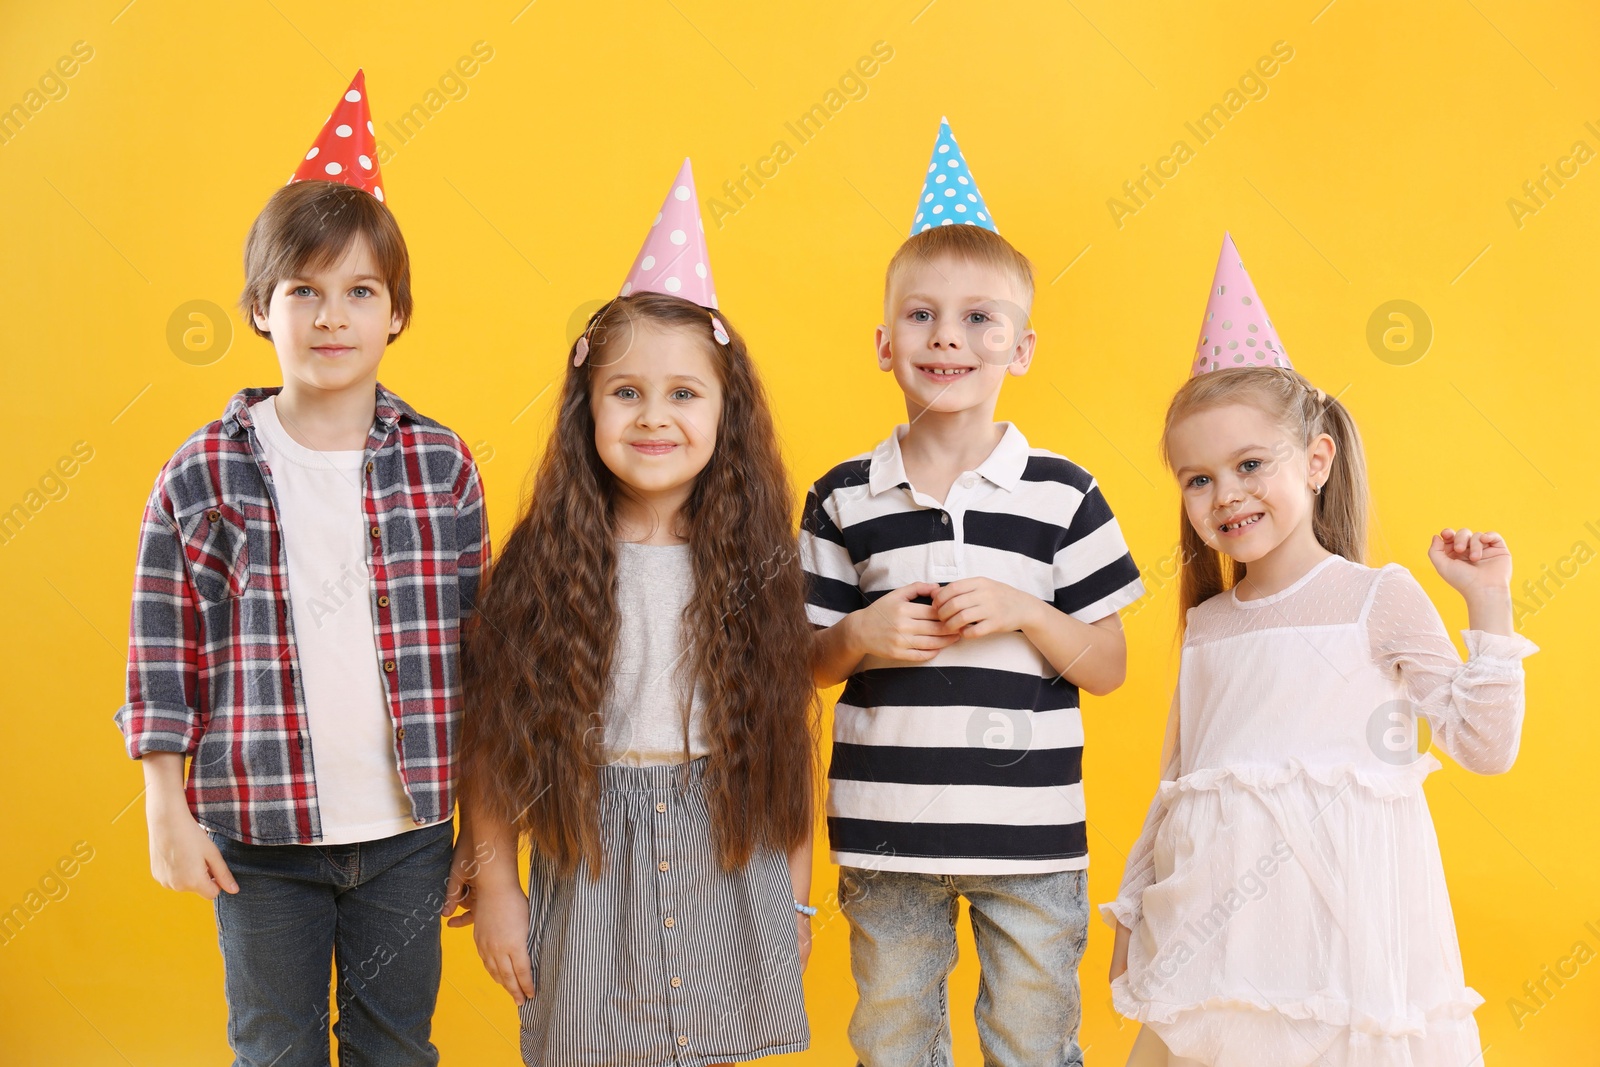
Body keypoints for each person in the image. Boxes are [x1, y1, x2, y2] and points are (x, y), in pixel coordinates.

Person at [114, 71, 487, 1066]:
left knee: (396, 1045)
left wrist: (484, 836)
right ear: (257, 307)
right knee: (274, 1047)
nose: (332, 317)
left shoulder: (441, 464)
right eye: (304, 292)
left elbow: (479, 652)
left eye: (360, 291)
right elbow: (161, 653)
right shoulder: (203, 469)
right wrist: (164, 804)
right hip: (258, 834)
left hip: (411, 828)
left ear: (397, 312)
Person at [1105, 234, 1537, 1066]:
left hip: (1340, 950)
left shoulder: (1377, 599)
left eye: (1249, 463)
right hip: (1215, 948)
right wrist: (1131, 915)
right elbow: (1178, 785)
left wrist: (1487, 604)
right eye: (1197, 478)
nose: (1224, 492)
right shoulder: (1208, 623)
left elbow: (1483, 747)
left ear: (1316, 459)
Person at [449, 160, 817, 1067]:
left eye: (684, 393)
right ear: (588, 407)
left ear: (727, 413)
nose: (655, 416)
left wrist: (799, 895)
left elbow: (783, 737)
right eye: (627, 392)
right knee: (590, 1047)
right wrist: (497, 885)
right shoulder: (543, 561)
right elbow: (496, 739)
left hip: (729, 842)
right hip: (591, 841)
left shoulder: (757, 561)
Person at [801, 119, 1145, 1067]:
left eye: (979, 318)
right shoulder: (842, 494)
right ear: (883, 342)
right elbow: (806, 665)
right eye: (922, 315)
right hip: (884, 835)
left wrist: (1029, 610)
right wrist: (863, 632)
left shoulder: (1064, 492)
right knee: (891, 1033)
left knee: (1033, 1038)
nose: (948, 334)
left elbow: (1109, 668)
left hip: (1031, 841)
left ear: (1022, 347)